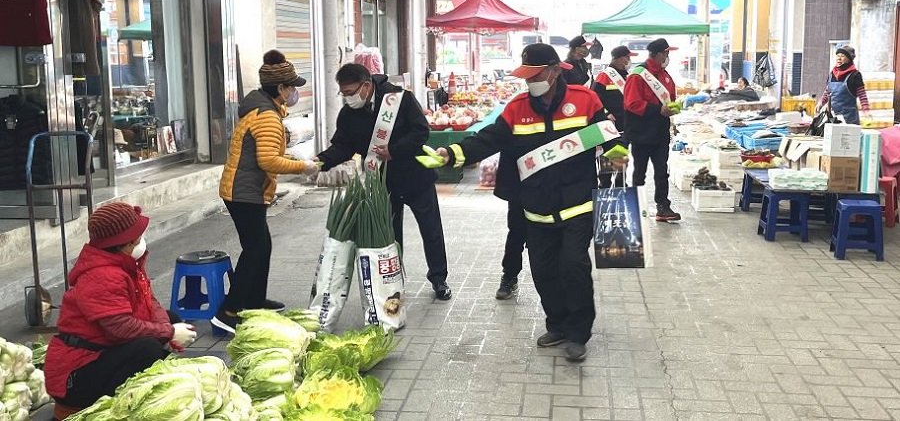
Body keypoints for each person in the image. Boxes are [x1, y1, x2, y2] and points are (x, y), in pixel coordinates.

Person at [434, 44, 625, 361]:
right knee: (544, 270)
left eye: (535, 75)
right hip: (535, 207)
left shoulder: (584, 99)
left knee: (573, 266)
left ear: (553, 71)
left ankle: (578, 333)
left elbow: (607, 133)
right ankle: (558, 324)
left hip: (577, 204)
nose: (529, 81)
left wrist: (617, 152)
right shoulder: (516, 108)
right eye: (526, 76)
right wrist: (452, 153)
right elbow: (487, 139)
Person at [317, 63, 452, 300]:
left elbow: (421, 132)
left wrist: (395, 150)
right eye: (344, 94)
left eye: (351, 92)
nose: (348, 98)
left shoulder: (399, 99)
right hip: (382, 182)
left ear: (366, 85)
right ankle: (393, 282)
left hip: (415, 176)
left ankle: (439, 279)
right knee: (388, 234)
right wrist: (319, 162)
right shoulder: (349, 114)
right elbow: (343, 146)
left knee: (431, 231)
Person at [44, 202, 198, 409]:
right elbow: (120, 327)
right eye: (138, 238)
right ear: (124, 244)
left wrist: (167, 328)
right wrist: (168, 333)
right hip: (76, 376)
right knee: (147, 348)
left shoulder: (126, 264)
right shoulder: (101, 276)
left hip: (105, 350)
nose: (142, 241)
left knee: (169, 318)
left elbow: (149, 301)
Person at [214, 50, 319, 333]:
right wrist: (303, 166)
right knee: (255, 249)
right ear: (281, 89)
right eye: (293, 87)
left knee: (262, 247)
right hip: (243, 191)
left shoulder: (262, 108)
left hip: (245, 189)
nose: (295, 92)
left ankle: (254, 301)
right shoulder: (267, 116)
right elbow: (268, 160)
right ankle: (229, 311)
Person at [624, 38, 681, 222]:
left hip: (660, 131)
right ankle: (636, 206)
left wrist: (673, 107)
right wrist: (658, 110)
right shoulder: (638, 75)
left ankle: (663, 207)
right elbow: (631, 103)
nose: (667, 57)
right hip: (641, 132)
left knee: (661, 171)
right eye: (666, 53)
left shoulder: (665, 75)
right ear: (657, 54)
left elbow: (670, 98)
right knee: (639, 171)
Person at [593, 45, 637, 188]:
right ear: (618, 58)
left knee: (622, 158)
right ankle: (604, 186)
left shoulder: (628, 76)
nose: (629, 61)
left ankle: (620, 184)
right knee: (608, 158)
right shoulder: (604, 76)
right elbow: (594, 98)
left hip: (626, 125)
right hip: (609, 127)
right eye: (627, 57)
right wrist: (605, 113)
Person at [818, 46, 869, 124]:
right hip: (833, 117)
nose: (839, 58)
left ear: (849, 59)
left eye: (842, 56)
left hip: (849, 118)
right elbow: (827, 92)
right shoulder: (832, 74)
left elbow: (862, 94)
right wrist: (821, 103)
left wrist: (866, 110)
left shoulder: (855, 75)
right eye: (838, 56)